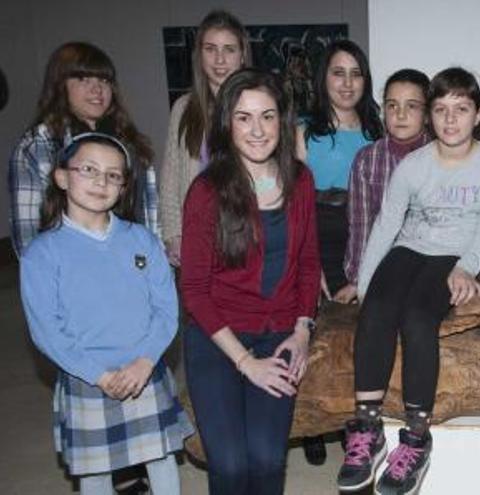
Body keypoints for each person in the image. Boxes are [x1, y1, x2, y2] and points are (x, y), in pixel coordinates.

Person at [336, 67, 480, 494]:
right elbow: (385, 226)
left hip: (455, 256)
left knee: (417, 319)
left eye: (461, 110)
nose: (450, 120)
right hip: (410, 249)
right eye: (441, 110)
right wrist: (365, 281)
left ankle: (416, 436)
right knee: (376, 310)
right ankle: (368, 428)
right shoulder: (413, 166)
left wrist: (467, 266)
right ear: (429, 117)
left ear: (479, 114)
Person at [19, 132, 192, 495]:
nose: (101, 181)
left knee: (161, 457)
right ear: (62, 177)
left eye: (114, 175)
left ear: (124, 186)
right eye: (89, 169)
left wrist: (146, 360)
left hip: (144, 370)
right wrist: (97, 374)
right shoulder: (42, 253)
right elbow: (46, 330)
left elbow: (166, 309)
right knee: (94, 471)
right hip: (87, 378)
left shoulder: (143, 240)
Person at [180, 68, 321, 494]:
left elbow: (309, 263)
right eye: (243, 117)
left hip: (278, 333)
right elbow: (194, 291)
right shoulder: (206, 192)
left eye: (267, 116)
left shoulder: (302, 180)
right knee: (230, 464)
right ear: (227, 123)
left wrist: (301, 329)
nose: (257, 129)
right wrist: (246, 363)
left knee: (266, 458)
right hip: (216, 337)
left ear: (283, 120)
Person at [9, 41, 158, 258]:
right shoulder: (39, 144)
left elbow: (148, 211)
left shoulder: (129, 140)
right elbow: (28, 237)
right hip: (73, 270)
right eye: (82, 79)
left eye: (104, 80)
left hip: (132, 262)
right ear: (61, 85)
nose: (97, 89)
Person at [159, 10, 249, 266]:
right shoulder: (183, 108)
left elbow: (272, 175)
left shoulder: (258, 106)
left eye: (229, 49)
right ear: (199, 55)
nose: (220, 59)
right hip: (198, 235)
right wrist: (173, 234)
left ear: (242, 55)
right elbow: (171, 177)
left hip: (247, 232)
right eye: (211, 49)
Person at [334, 68, 431, 304]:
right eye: (392, 105)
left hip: (431, 268)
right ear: (383, 110)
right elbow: (361, 224)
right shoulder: (368, 160)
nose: (400, 114)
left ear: (428, 114)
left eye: (412, 106)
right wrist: (358, 280)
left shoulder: (442, 156)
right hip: (381, 268)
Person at [296, 39, 384, 300]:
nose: (347, 83)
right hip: (319, 243)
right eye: (338, 73)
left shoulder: (379, 131)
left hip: (367, 244)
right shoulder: (303, 131)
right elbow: (288, 201)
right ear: (323, 78)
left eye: (355, 74)